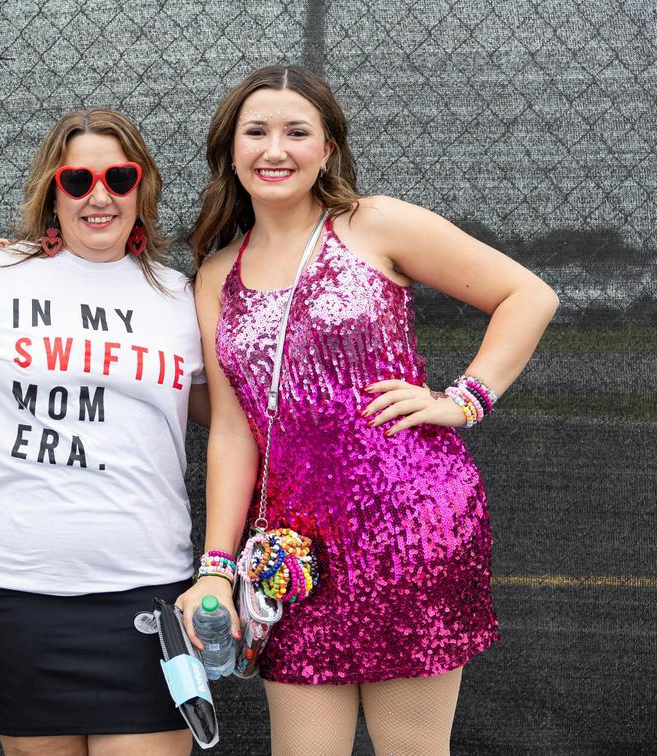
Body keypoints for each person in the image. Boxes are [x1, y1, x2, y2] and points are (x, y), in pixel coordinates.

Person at [176, 65, 559, 755]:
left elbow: (528, 296)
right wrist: (217, 565)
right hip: (292, 561)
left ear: (327, 148)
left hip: (412, 535)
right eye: (256, 131)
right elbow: (232, 432)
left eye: (298, 132)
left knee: (410, 747)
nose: (275, 149)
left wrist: (462, 400)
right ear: (230, 149)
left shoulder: (372, 224)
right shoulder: (216, 274)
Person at [0, 108, 208, 756]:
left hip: (145, 590)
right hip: (13, 589)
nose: (100, 196)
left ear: (142, 186)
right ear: (52, 191)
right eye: (78, 180)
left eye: (118, 176)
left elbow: (234, 421)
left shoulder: (179, 296)